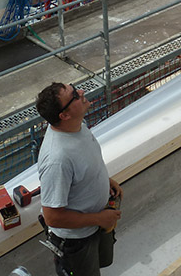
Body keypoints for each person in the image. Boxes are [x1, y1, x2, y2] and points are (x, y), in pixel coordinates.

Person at [35, 82, 123, 276]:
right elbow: (52, 217)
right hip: (77, 240)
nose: (81, 92)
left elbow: (84, 164)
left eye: (75, 88)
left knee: (100, 263)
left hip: (95, 225)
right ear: (64, 115)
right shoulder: (56, 159)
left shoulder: (77, 125)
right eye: (74, 95)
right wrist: (100, 218)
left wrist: (105, 181)